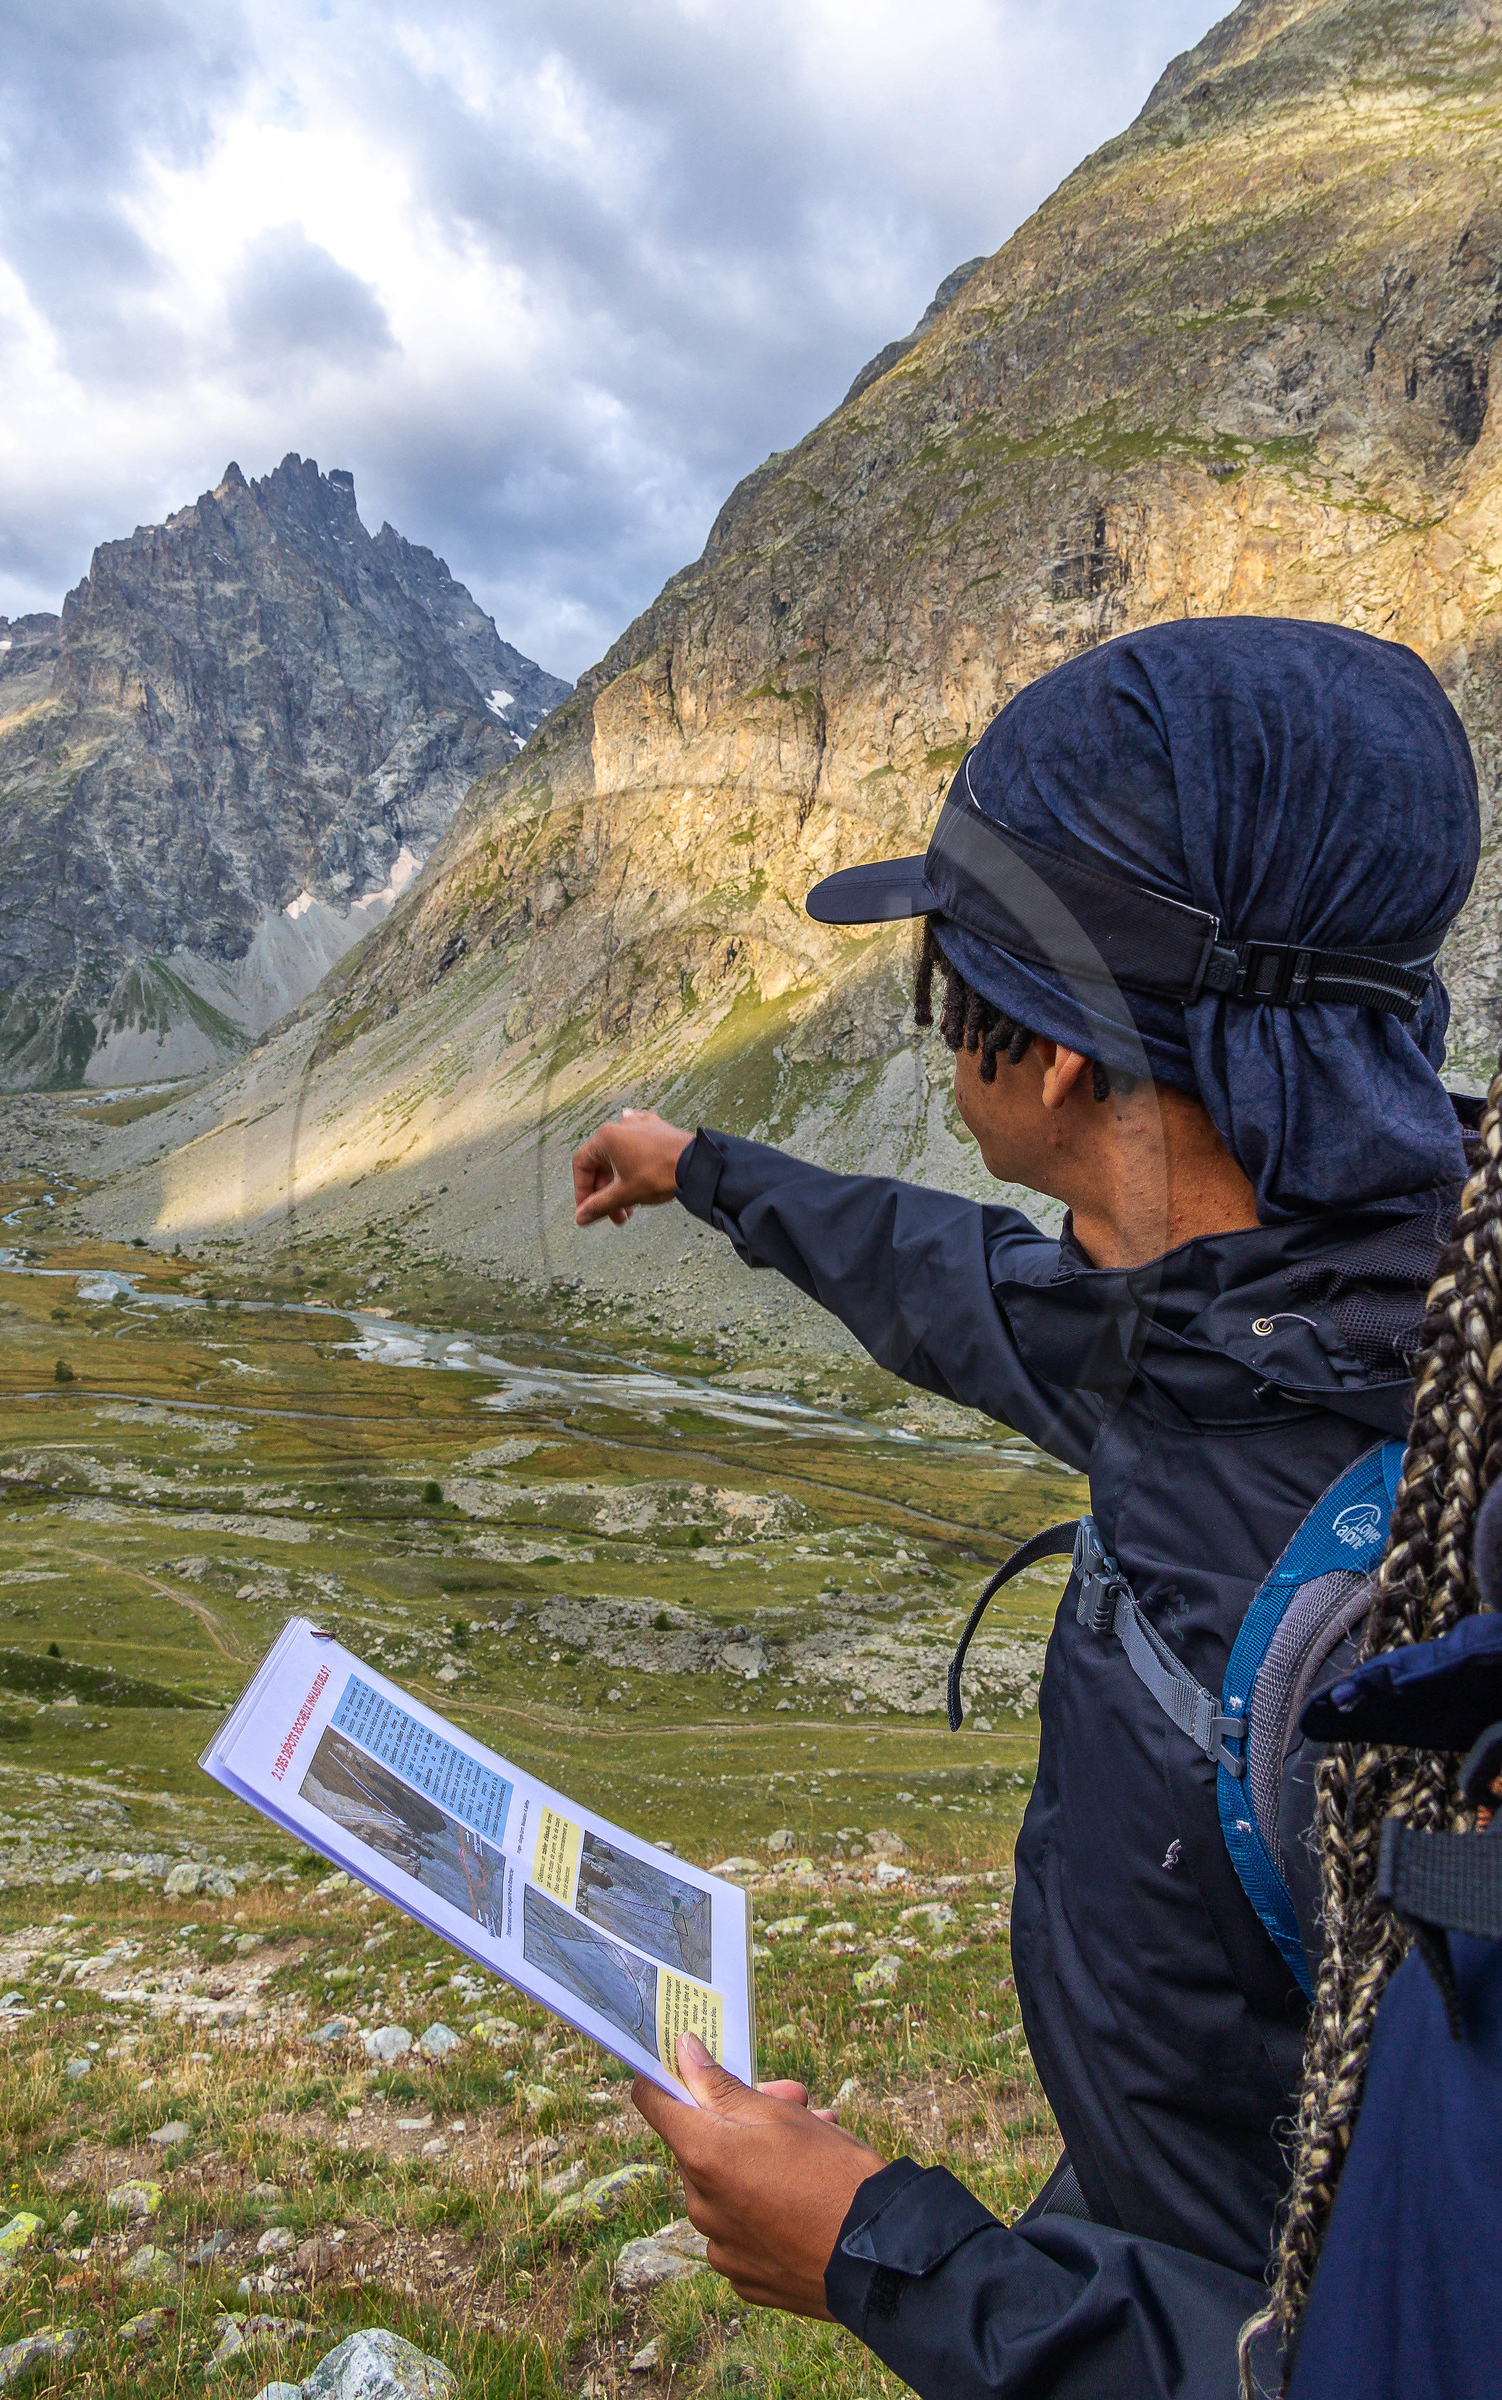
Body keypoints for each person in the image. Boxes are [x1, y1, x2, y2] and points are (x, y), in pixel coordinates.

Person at [569, 618, 1481, 2399]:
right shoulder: (1280, 1300)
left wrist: (889, 2258)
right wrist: (707, 1173)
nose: (942, 1034)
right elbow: (960, 1283)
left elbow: (1415, 2346)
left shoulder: (1387, 1606)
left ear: (1055, 1055)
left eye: (954, 981)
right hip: (1163, 2220)